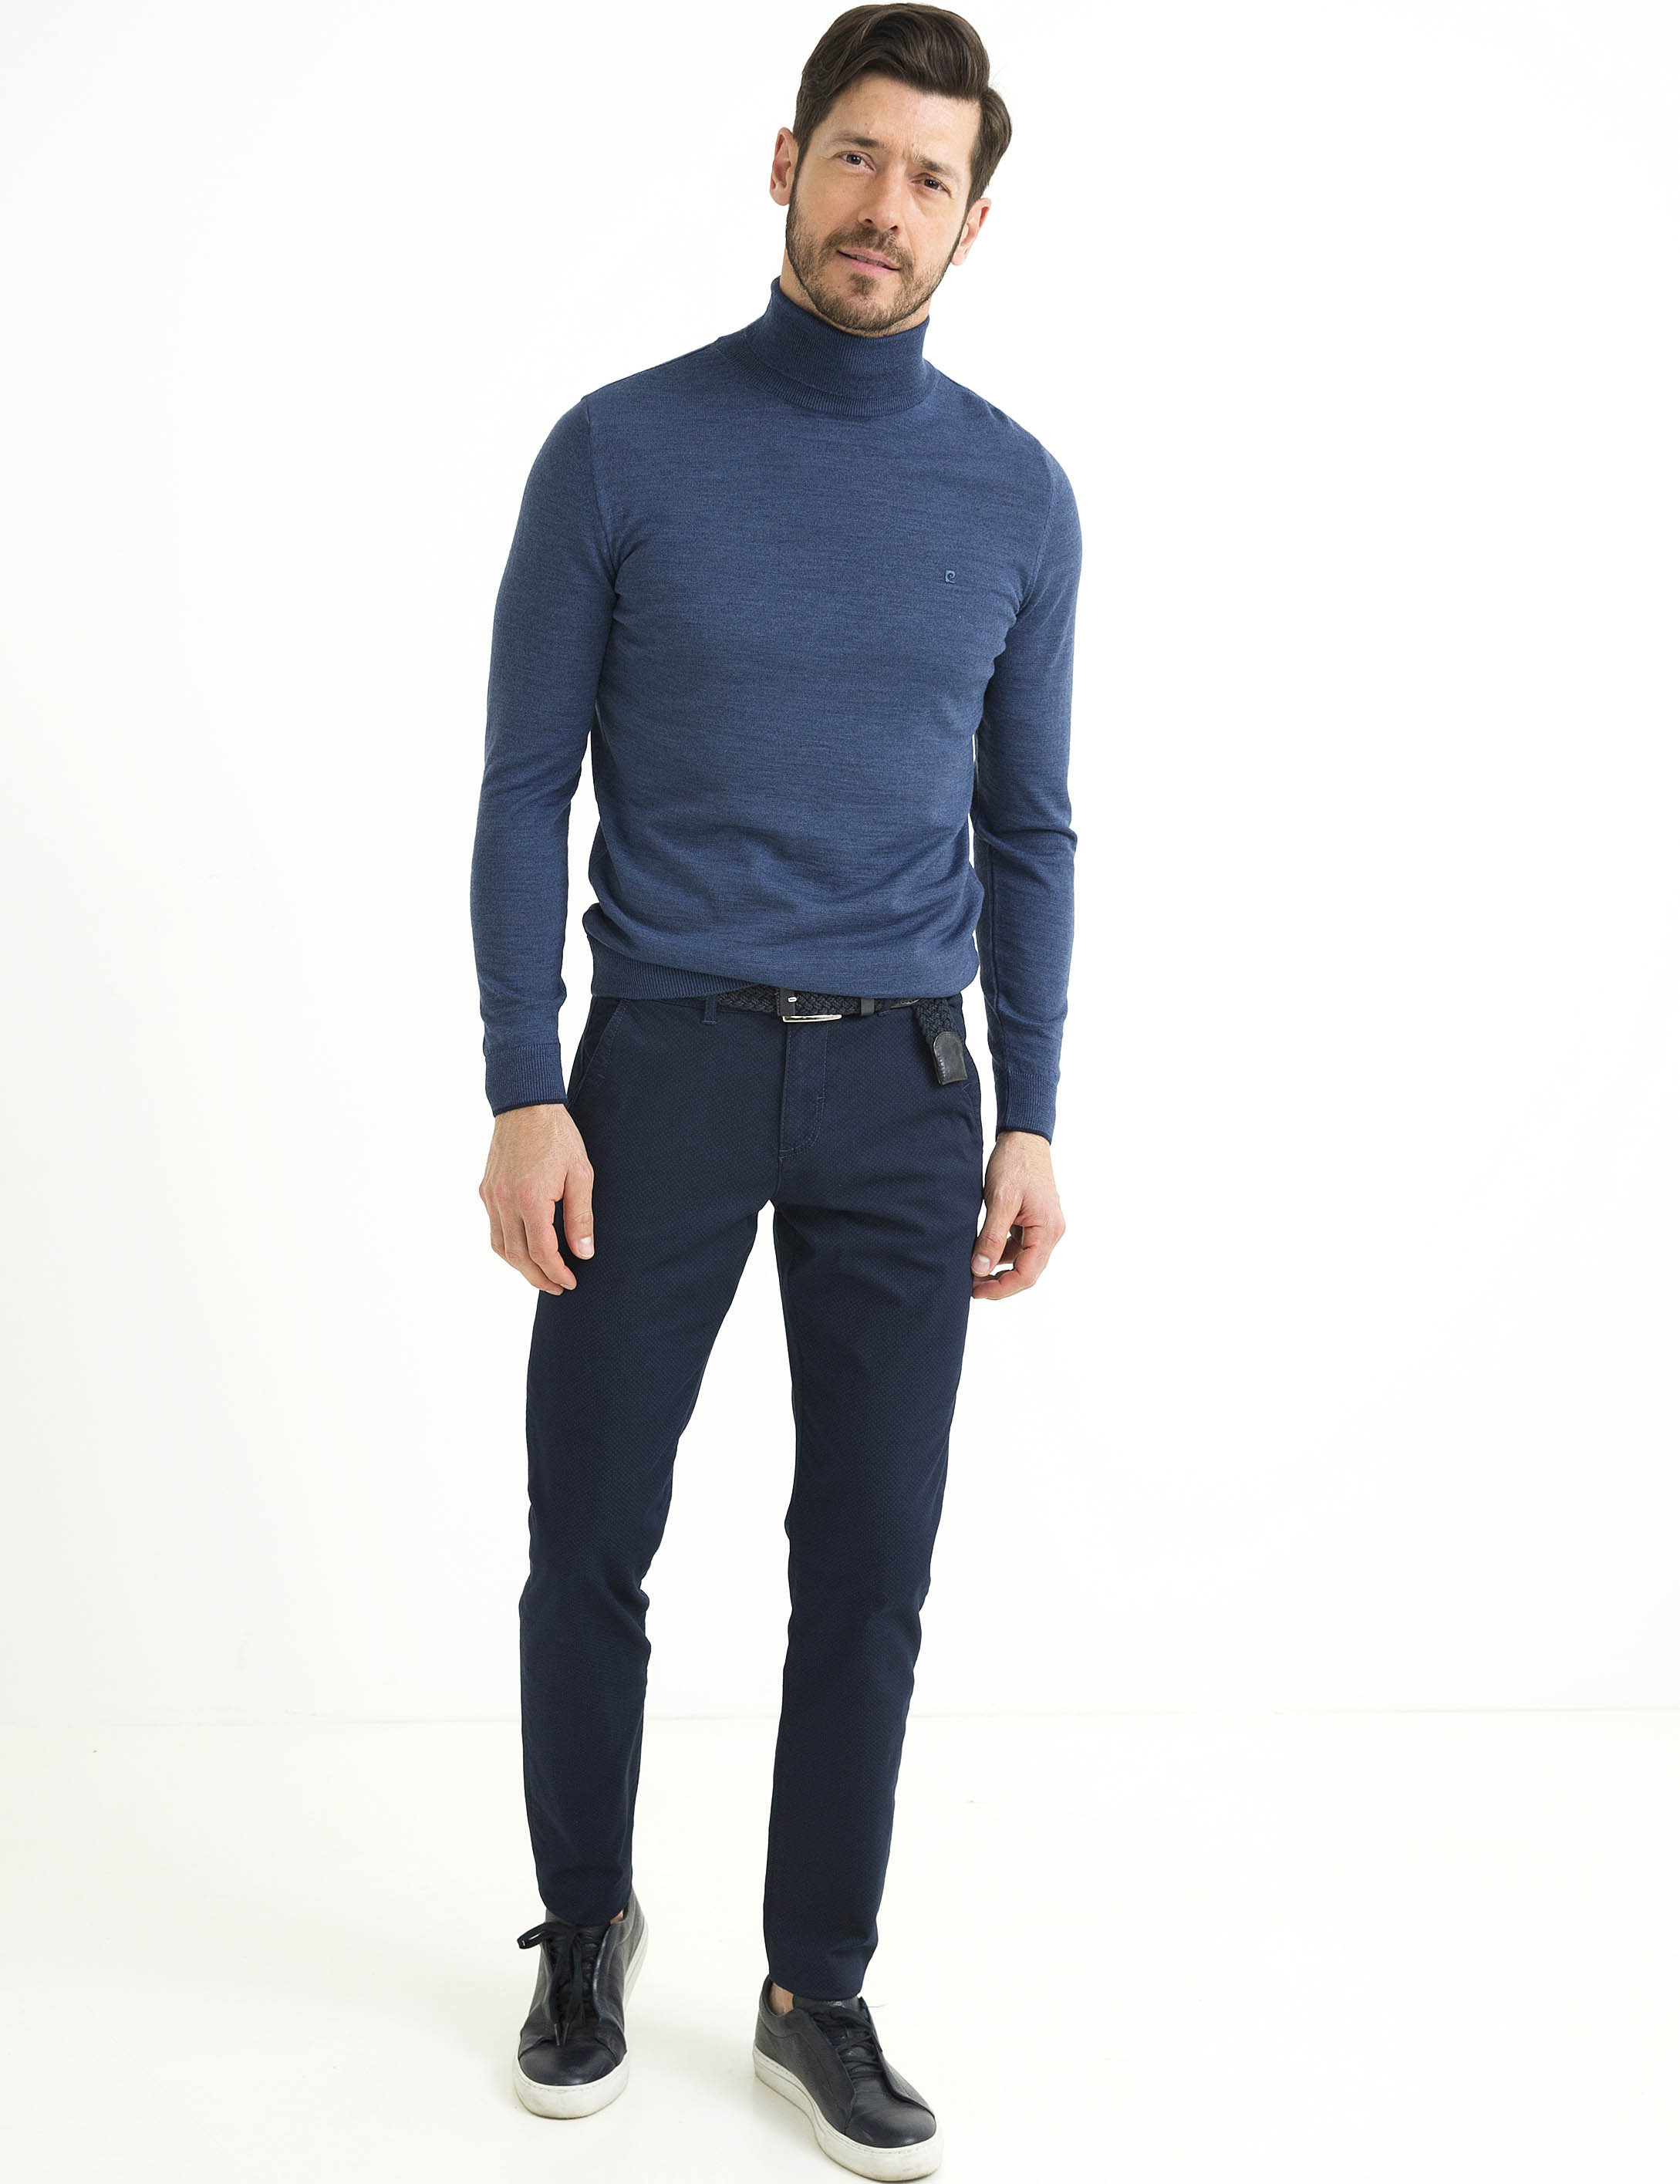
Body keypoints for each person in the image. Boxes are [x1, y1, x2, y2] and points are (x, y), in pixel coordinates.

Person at [469, 7, 1080, 2175]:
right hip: (658, 1070)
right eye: (855, 158)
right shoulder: (620, 452)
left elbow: (1028, 825)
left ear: (970, 224)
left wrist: (1029, 1109)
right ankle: (584, 1923)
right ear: (784, 165)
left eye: (928, 179)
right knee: (590, 1532)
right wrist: (523, 1081)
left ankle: (816, 1985)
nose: (882, 207)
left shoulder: (1016, 493)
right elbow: (524, 785)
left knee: (872, 1558)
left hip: (908, 1093)